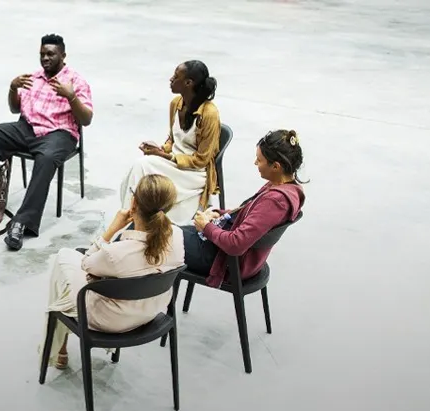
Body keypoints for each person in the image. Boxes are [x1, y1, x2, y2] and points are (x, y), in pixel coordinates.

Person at [0, 34, 93, 251]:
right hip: (27, 128)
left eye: (50, 54)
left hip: (59, 133)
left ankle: (22, 222)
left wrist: (71, 97)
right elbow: (15, 109)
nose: (45, 58)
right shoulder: (33, 77)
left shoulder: (76, 81)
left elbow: (86, 119)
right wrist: (12, 88)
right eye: (42, 54)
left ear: (63, 56)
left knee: (46, 158)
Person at [42, 174, 185, 370]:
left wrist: (111, 230)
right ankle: (61, 348)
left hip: (110, 321)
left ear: (133, 203)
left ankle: (58, 349)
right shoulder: (177, 236)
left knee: (65, 257)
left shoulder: (115, 254)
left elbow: (87, 262)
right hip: (150, 312)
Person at [183, 130, 306, 288]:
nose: (255, 163)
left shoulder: (275, 201)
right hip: (228, 253)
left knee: (159, 238)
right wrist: (218, 214)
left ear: (276, 166)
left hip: (225, 262)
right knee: (167, 231)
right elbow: (249, 218)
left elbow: (235, 244)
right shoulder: (287, 187)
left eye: (259, 160)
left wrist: (206, 227)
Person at [120, 60, 220, 225]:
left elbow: (202, 159)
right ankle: (131, 217)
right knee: (140, 167)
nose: (171, 79)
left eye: (176, 76)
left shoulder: (209, 113)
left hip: (193, 172)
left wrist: (165, 156)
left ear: (188, 83)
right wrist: (159, 149)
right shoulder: (176, 104)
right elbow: (172, 139)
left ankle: (128, 220)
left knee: (142, 166)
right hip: (172, 161)